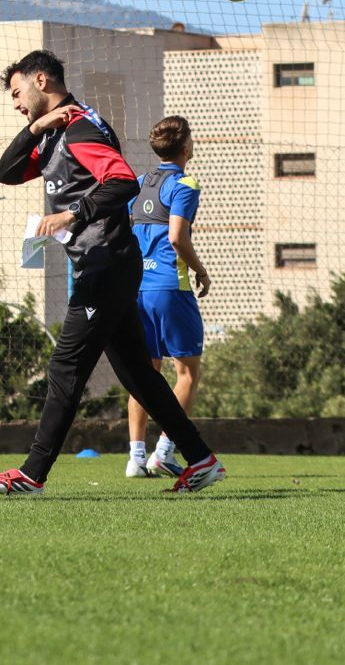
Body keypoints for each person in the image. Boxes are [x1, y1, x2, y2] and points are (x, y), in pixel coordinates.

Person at [0, 50, 225, 496]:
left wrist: (72, 214)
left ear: (41, 80)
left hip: (105, 265)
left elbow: (123, 181)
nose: (15, 102)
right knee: (139, 376)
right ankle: (201, 459)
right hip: (104, 264)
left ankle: (32, 475)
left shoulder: (81, 128)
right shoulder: (55, 133)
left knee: (66, 365)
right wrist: (35, 128)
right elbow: (6, 172)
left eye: (18, 93)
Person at [126, 115, 211, 478]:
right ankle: (164, 450)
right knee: (187, 373)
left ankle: (135, 457)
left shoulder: (141, 183)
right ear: (187, 147)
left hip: (137, 288)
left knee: (145, 375)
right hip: (169, 289)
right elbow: (177, 237)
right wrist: (201, 270)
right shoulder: (185, 183)